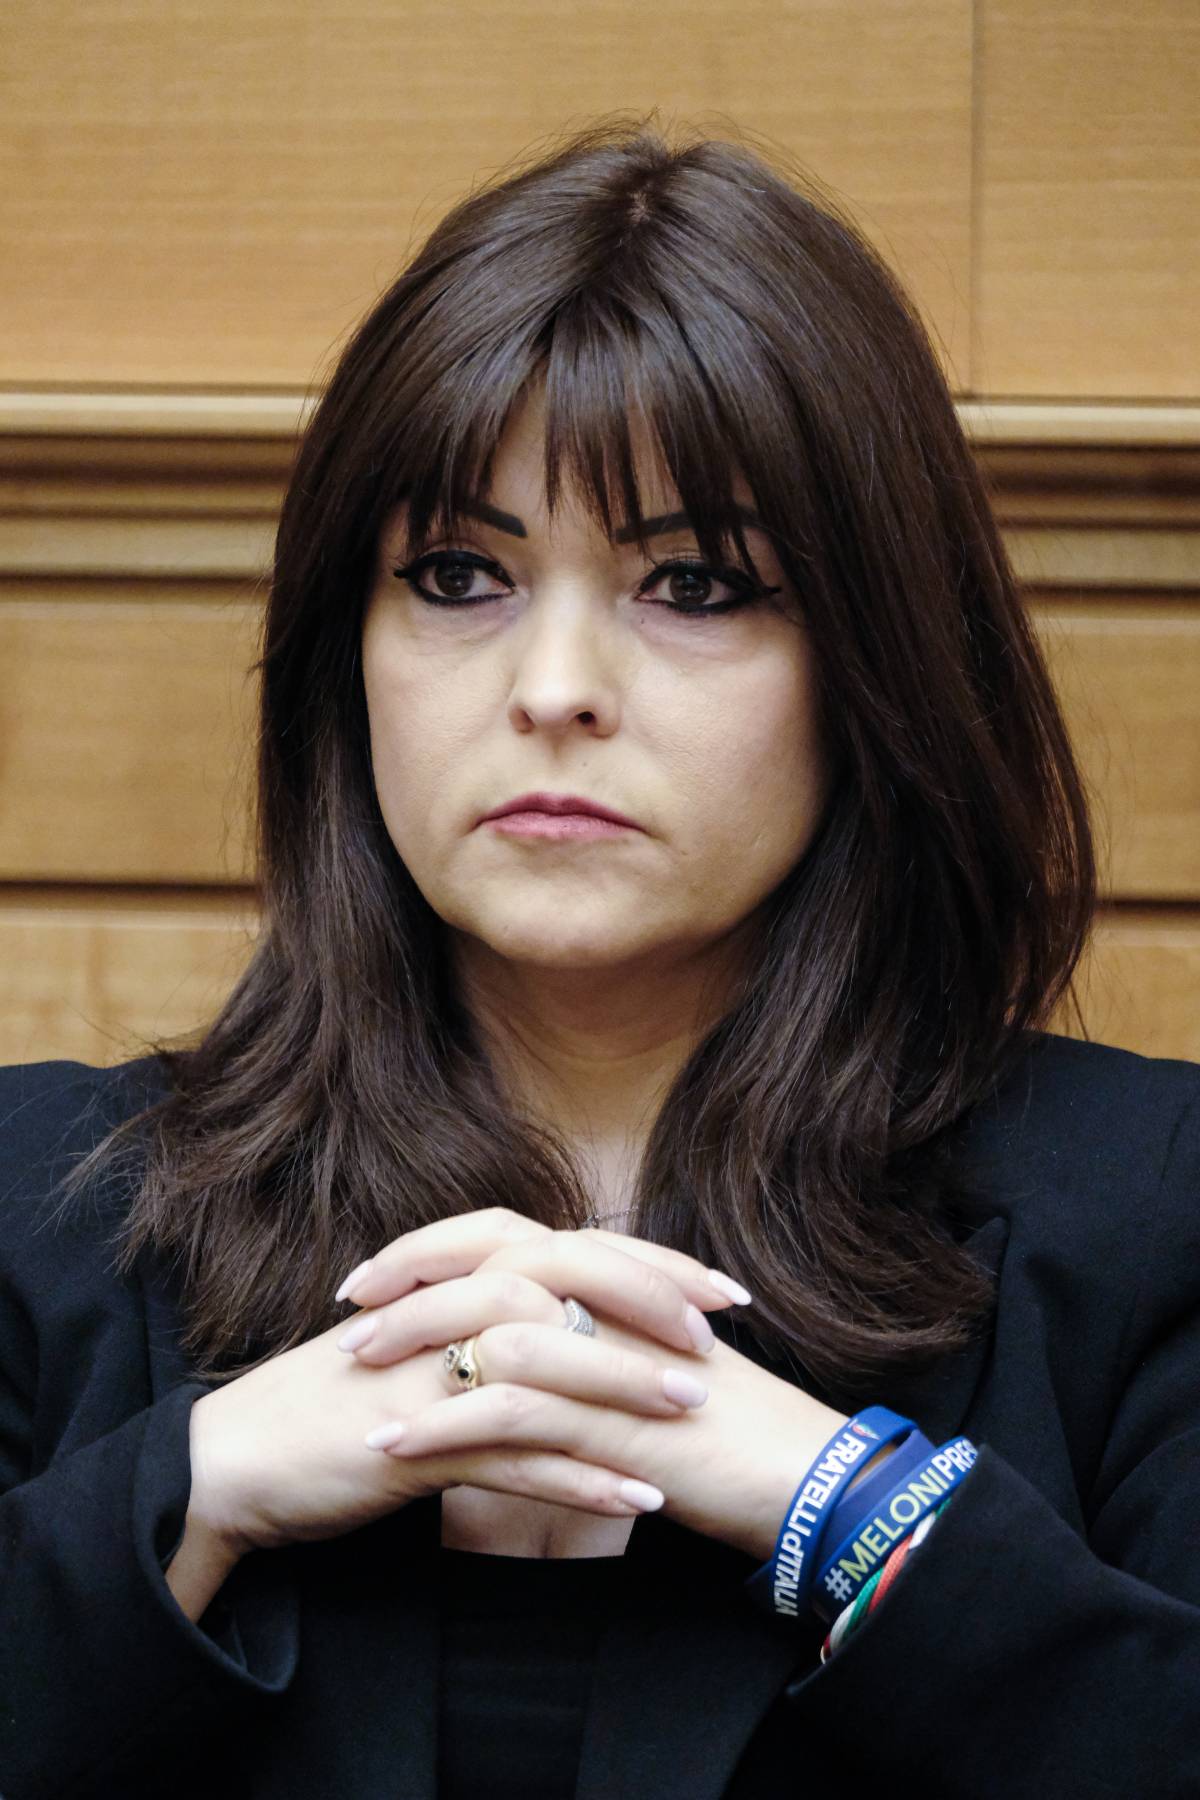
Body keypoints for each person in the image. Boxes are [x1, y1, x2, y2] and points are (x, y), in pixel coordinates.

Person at [1, 118, 1198, 1800]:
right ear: (347, 657)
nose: (554, 688)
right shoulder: (38, 1206)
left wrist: (850, 1512)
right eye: (458, 575)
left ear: (876, 663)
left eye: (693, 583)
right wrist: (188, 1495)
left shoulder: (1155, 1216)